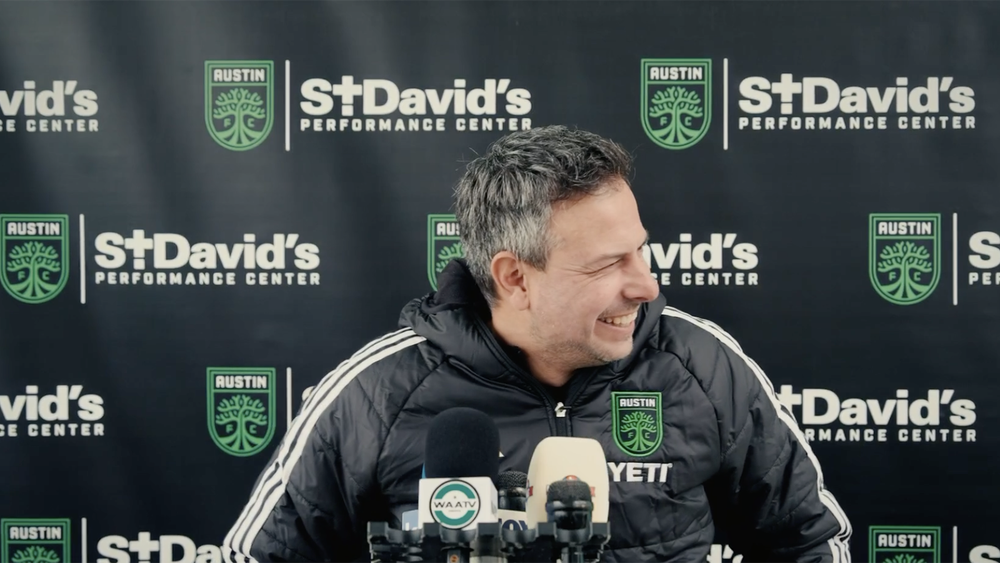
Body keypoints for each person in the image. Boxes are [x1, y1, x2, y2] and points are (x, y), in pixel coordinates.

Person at [221, 125, 852, 563]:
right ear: (515, 277)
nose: (647, 284)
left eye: (641, 250)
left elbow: (809, 543)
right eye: (608, 265)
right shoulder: (375, 392)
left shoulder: (702, 364)